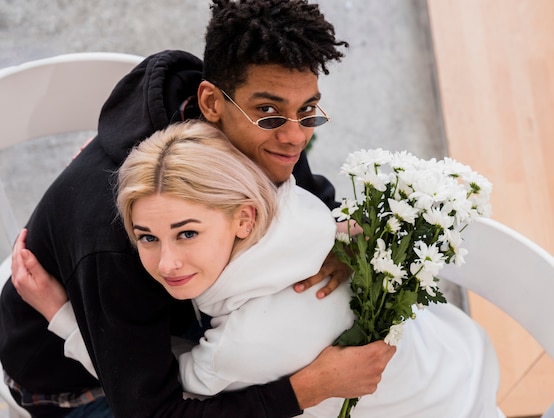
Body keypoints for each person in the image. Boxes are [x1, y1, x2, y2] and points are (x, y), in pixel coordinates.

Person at [0, 1, 395, 417]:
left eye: (307, 110)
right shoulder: (121, 237)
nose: (295, 138)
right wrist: (308, 389)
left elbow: (317, 200)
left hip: (169, 315)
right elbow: (154, 411)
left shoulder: (257, 136)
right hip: (77, 383)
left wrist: (341, 242)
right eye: (268, 112)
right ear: (210, 103)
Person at [16, 120, 503, 418]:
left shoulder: (246, 345)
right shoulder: (304, 207)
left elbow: (161, 394)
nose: (166, 263)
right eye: (147, 236)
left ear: (244, 217)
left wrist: (63, 318)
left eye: (187, 233)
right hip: (458, 363)